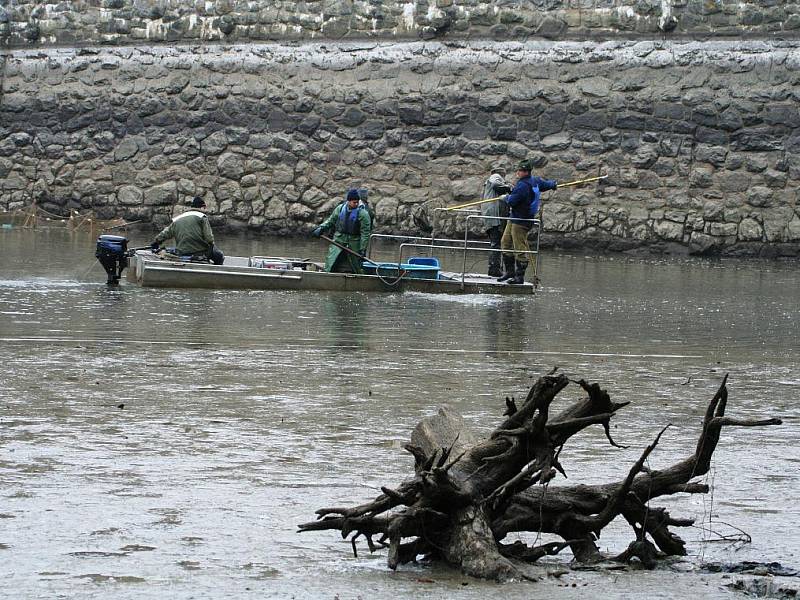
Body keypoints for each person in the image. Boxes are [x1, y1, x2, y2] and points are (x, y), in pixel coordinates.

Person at [497, 159, 557, 284]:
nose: (517, 172)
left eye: (519, 170)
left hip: (521, 221)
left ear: (525, 172)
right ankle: (509, 272)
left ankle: (519, 277)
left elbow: (513, 201)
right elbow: (546, 185)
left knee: (519, 247)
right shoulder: (535, 181)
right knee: (505, 242)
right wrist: (553, 184)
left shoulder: (523, 185)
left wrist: (505, 198)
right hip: (514, 218)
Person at [311, 188, 372, 273]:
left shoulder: (363, 214)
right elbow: (331, 221)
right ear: (348, 201)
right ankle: (328, 273)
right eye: (354, 202)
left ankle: (359, 276)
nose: (356, 204)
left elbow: (365, 233)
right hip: (339, 239)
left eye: (357, 202)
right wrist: (321, 228)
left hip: (354, 241)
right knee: (331, 260)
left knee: (357, 265)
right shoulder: (340, 209)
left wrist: (362, 248)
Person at [150, 196, 224, 265]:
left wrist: (156, 242)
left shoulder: (178, 218)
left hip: (181, 252)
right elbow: (209, 238)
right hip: (199, 252)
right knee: (219, 255)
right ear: (203, 207)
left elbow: (165, 233)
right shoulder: (202, 217)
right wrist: (212, 247)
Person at [480, 169, 513, 277]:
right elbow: (495, 183)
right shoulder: (495, 177)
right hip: (494, 217)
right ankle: (494, 269)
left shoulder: (487, 185)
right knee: (496, 243)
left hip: (491, 216)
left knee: (496, 242)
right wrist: (509, 188)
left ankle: (496, 267)